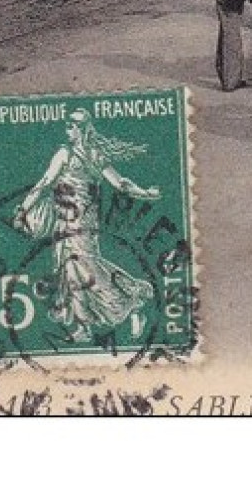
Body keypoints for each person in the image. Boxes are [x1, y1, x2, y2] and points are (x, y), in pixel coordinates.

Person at [14, 110, 160, 341]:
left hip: (83, 223)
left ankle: (131, 301)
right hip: (66, 220)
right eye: (66, 125)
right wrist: (24, 208)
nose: (67, 130)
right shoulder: (72, 153)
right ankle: (84, 326)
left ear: (82, 129)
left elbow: (120, 183)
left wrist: (146, 194)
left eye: (71, 126)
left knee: (84, 268)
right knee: (71, 270)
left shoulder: (84, 154)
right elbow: (45, 183)